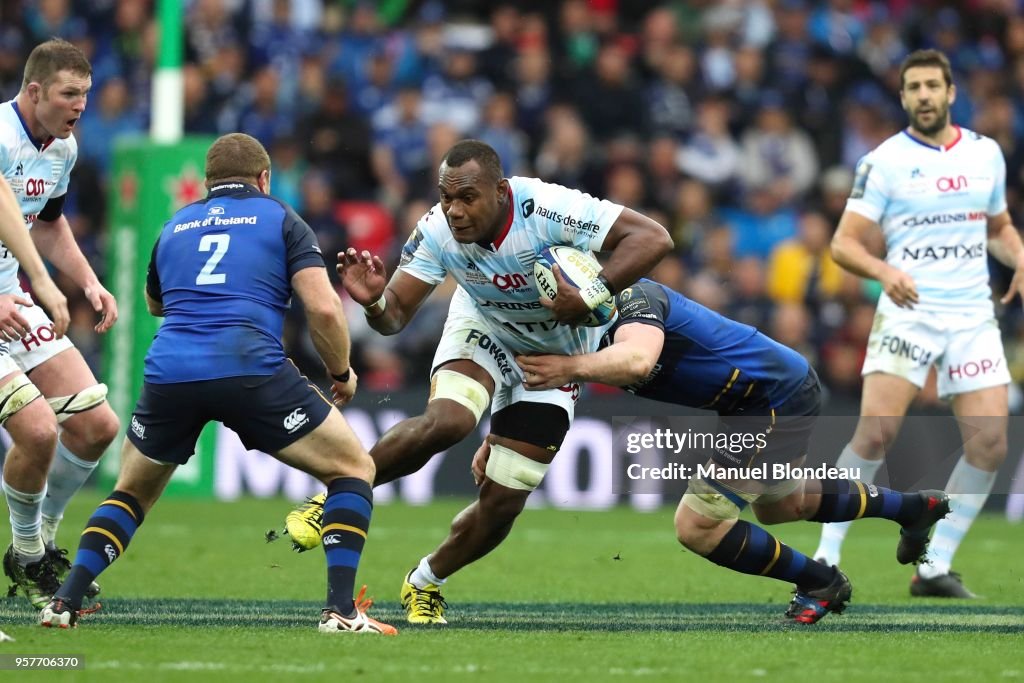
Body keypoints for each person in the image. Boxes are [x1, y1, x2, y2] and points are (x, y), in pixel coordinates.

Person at [291, 139, 673, 624]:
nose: (454, 210)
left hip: (556, 353)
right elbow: (394, 318)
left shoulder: (549, 207)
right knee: (448, 421)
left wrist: (592, 293)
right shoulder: (436, 229)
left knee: (503, 501)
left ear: (500, 190)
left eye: (467, 198)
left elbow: (654, 238)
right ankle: (334, 496)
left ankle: (425, 581)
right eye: (446, 197)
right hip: (484, 327)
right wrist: (372, 302)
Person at [39, 133, 395, 635]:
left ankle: (64, 602)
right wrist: (341, 372)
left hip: (170, 372)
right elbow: (322, 306)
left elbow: (155, 304)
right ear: (264, 178)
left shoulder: (175, 224)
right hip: (250, 366)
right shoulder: (280, 217)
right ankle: (340, 611)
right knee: (353, 468)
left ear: (207, 184)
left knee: (131, 494)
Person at [510, 278, 951, 623]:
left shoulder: (636, 299)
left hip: (773, 398)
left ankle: (822, 582)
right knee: (783, 504)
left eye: (552, 298)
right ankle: (913, 508)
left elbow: (637, 361)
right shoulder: (584, 335)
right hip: (759, 399)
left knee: (697, 526)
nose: (548, 309)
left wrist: (568, 369)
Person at [811, 49, 1021, 598]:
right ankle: (825, 557)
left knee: (991, 443)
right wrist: (884, 271)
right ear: (903, 98)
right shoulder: (884, 161)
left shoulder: (986, 154)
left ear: (951, 92)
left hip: (972, 313)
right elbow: (843, 244)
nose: (924, 95)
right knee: (876, 433)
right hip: (910, 311)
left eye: (933, 85)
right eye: (914, 87)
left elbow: (996, 225)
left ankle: (933, 566)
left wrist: (1018, 254)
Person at [1, 39, 120, 609]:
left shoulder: (62, 148)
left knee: (97, 425)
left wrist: (88, 281)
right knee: (39, 430)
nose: (80, 106)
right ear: (34, 91)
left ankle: (41, 542)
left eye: (86, 95)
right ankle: (25, 556)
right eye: (69, 94)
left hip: (12, 302)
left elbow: (45, 223)